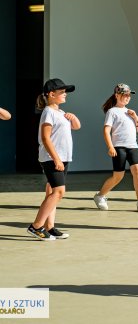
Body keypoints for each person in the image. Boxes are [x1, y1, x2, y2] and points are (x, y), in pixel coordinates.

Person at [27, 78, 81, 241]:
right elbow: (45, 138)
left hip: (63, 158)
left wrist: (73, 118)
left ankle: (49, 227)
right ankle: (36, 226)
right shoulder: (48, 112)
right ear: (51, 94)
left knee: (52, 191)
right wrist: (56, 159)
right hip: (52, 158)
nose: (65, 95)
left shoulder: (62, 113)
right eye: (62, 92)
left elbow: (77, 127)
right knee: (59, 191)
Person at [93, 83, 138, 213]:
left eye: (129, 95)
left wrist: (135, 117)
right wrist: (110, 146)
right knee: (118, 176)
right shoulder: (112, 112)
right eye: (125, 95)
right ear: (117, 95)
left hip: (133, 146)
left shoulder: (130, 112)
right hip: (119, 147)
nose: (127, 97)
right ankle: (100, 195)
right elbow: (106, 131)